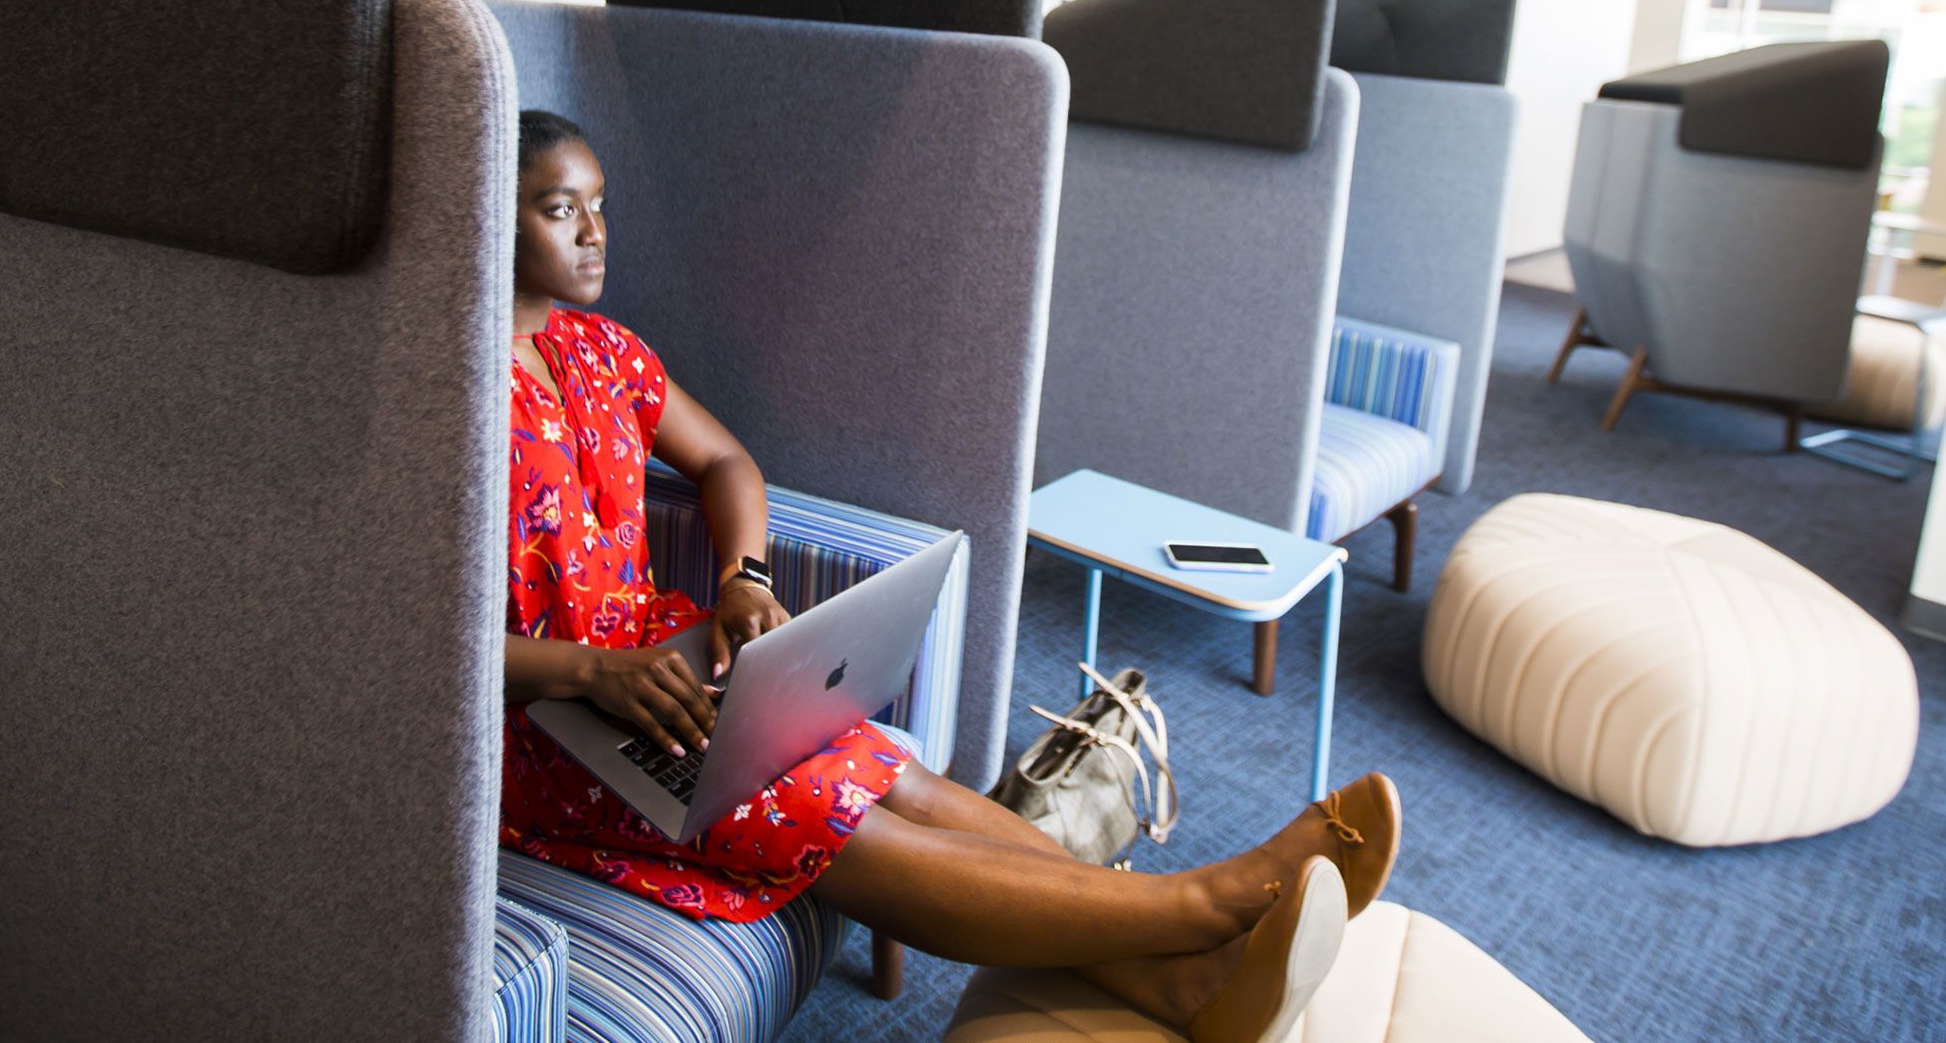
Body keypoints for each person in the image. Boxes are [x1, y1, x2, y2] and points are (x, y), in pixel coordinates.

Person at [500, 109, 1402, 1040]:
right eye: (562, 208)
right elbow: (398, 643)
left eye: (600, 205)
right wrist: (586, 672)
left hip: (665, 665)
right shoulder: (449, 387)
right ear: (489, 213)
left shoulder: (602, 352)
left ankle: (1180, 982)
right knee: (836, 809)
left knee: (901, 775)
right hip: (543, 728)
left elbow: (727, 463)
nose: (596, 233)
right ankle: (1209, 907)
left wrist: (745, 577)